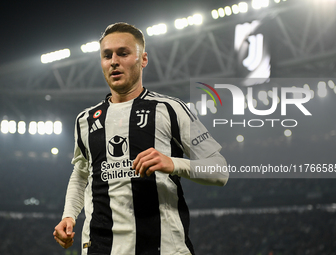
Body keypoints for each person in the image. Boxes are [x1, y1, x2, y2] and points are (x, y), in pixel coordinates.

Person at [53, 22, 228, 255]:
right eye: (107, 55)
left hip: (164, 248)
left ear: (143, 59)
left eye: (123, 53)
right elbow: (81, 173)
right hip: (100, 248)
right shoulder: (85, 119)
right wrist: (68, 215)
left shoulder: (171, 109)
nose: (114, 61)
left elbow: (219, 171)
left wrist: (173, 163)